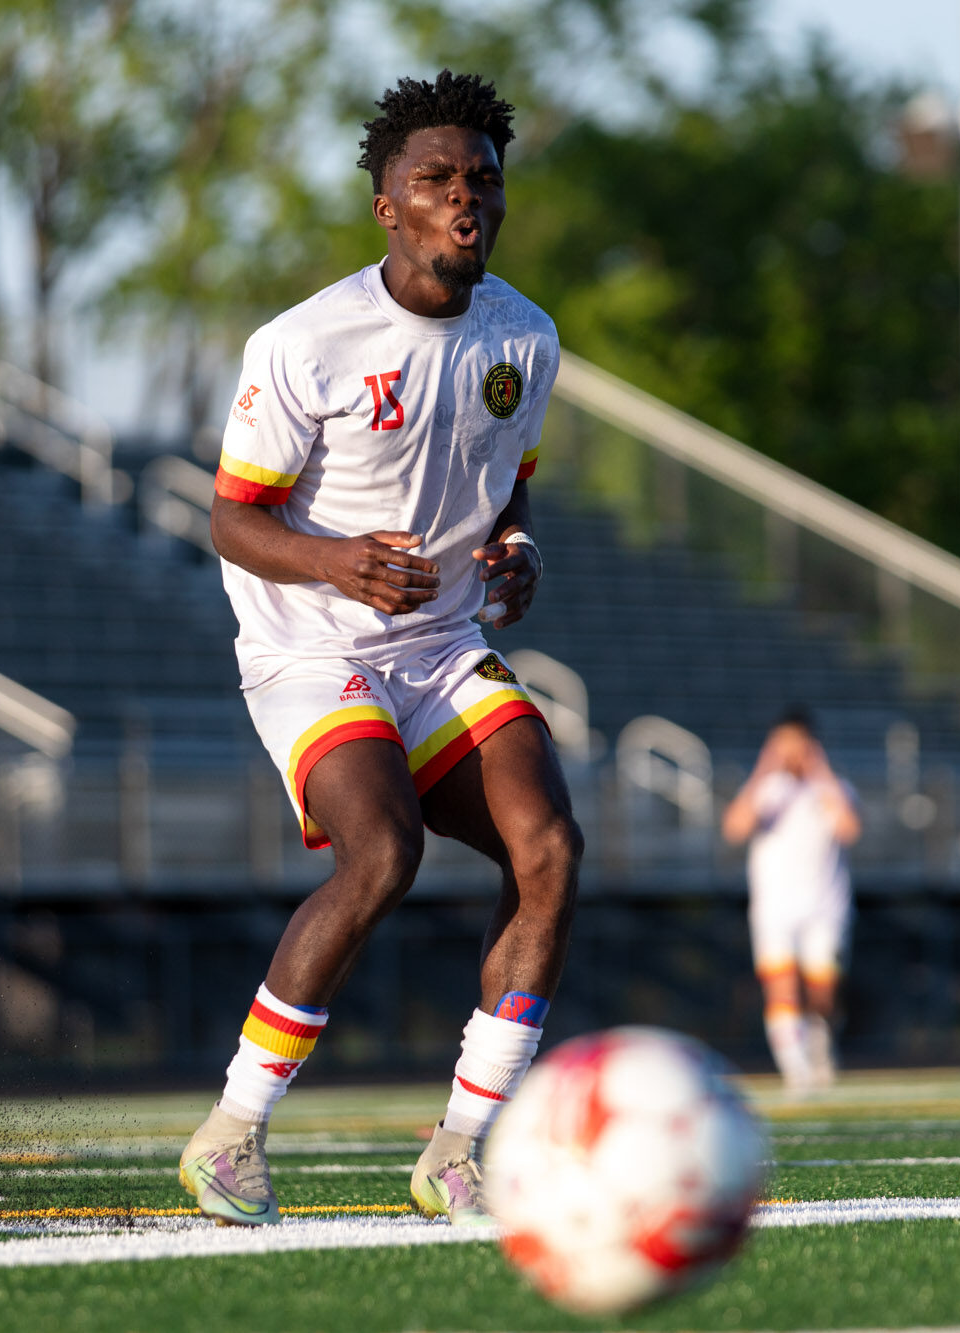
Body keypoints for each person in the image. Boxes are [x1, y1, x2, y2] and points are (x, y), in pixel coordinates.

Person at [178, 70, 579, 1228]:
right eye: (435, 180)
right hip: (312, 645)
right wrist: (337, 560)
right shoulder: (306, 341)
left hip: (441, 644)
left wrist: (515, 552)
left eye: (482, 180)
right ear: (387, 208)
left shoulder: (527, 339)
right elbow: (229, 518)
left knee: (548, 845)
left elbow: (510, 501)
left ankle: (460, 1146)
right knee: (383, 852)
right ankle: (233, 1130)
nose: (464, 197)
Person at [721, 709, 860, 1092]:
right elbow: (735, 827)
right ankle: (796, 1072)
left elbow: (849, 829)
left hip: (825, 906)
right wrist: (764, 770)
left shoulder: (833, 789)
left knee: (823, 994)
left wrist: (820, 772)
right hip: (775, 909)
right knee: (781, 988)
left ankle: (820, 1046)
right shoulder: (767, 791)